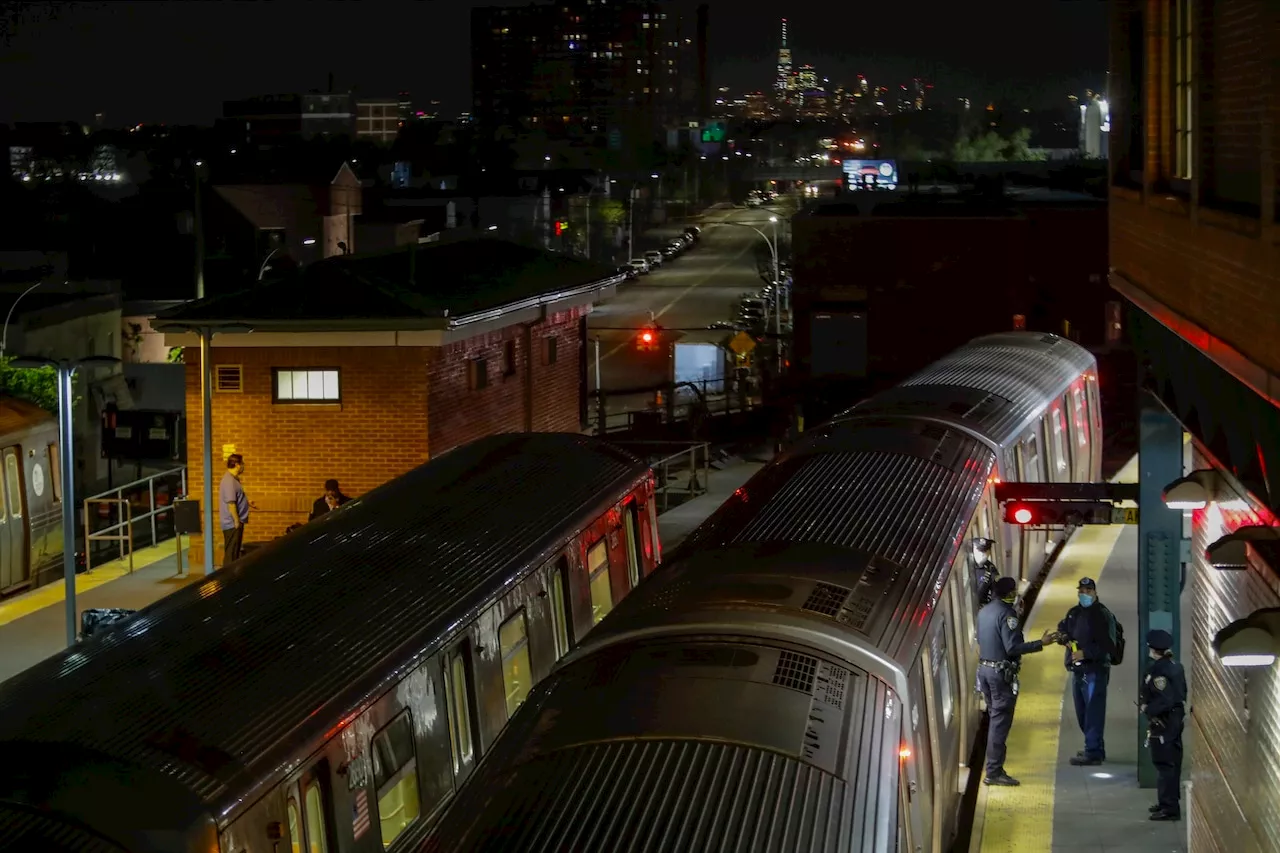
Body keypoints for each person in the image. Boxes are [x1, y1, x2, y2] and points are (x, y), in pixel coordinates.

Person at [976, 575, 1057, 786]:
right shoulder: (1007, 614)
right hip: (1000, 675)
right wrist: (1042, 642)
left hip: (984, 671)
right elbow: (1012, 647)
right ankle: (994, 772)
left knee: (995, 718)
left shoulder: (984, 611)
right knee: (999, 723)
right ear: (1010, 594)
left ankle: (993, 768)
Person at [1057, 576, 1120, 765]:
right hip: (1078, 671)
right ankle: (1095, 747)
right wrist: (1063, 637)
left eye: (1088, 591)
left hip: (1095, 670)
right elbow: (1063, 627)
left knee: (1093, 710)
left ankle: (1092, 751)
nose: (1084, 595)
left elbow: (1110, 646)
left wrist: (1086, 653)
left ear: (1095, 592)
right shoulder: (1074, 613)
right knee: (1082, 711)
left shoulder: (1103, 615)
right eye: (1081, 591)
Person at [1142, 629, 1186, 821]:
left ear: (1152, 649)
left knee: (1165, 764)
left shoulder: (1158, 671)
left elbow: (1164, 699)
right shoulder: (1176, 666)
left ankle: (1169, 808)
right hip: (1175, 721)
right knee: (1172, 763)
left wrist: (1147, 709)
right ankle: (1168, 801)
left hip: (1165, 723)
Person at [219, 454, 250, 564]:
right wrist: (236, 521)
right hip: (232, 523)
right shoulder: (229, 481)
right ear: (237, 465)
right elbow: (231, 503)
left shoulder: (234, 479)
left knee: (234, 553)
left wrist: (248, 503)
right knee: (231, 555)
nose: (243, 466)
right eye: (242, 464)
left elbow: (236, 498)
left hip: (235, 522)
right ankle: (227, 578)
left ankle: (230, 577)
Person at [970, 537, 1000, 607]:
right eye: (979, 551)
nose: (983, 554)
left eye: (986, 551)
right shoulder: (966, 565)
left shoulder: (991, 569)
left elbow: (996, 593)